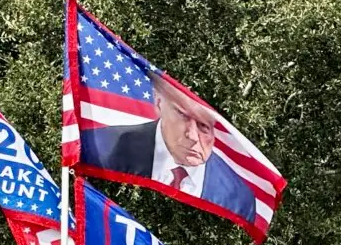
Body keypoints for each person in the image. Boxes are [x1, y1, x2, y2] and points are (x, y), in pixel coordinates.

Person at [78, 74, 254, 222]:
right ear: (159, 102)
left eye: (203, 126)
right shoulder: (102, 142)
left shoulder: (236, 194)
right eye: (183, 115)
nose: (192, 136)